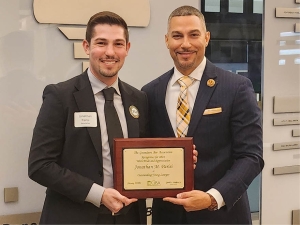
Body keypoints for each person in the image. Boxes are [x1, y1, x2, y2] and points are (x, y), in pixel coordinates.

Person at [141, 5, 264, 224]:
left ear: (207, 37)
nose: (185, 44)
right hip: (168, 217)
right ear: (167, 40)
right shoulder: (150, 92)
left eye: (194, 35)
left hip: (221, 215)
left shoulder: (237, 88)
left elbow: (251, 157)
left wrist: (212, 198)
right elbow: (145, 151)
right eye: (177, 36)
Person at [28, 11, 149, 224]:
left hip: (129, 218)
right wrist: (99, 194)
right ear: (86, 46)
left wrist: (181, 158)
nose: (110, 52)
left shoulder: (138, 99)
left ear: (127, 49)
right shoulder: (60, 96)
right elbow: (40, 165)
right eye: (101, 43)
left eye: (118, 44)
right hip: (74, 217)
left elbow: (146, 154)